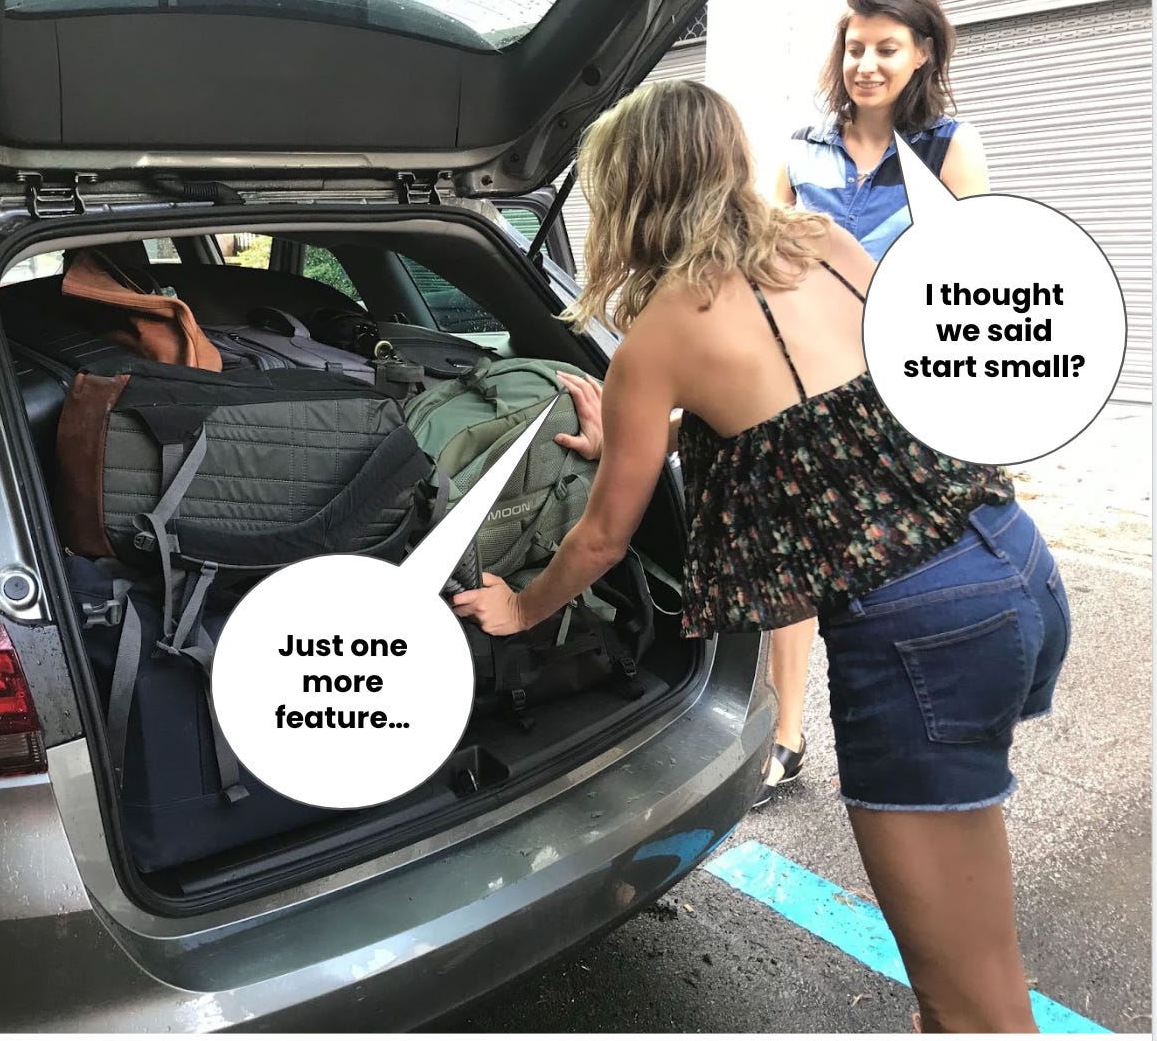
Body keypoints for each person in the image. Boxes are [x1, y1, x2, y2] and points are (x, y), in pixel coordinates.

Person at [452, 79, 1068, 1032]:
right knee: (967, 937)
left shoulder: (656, 338)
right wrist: (627, 432)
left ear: (630, 193)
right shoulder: (827, 243)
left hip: (919, 635)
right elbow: (823, 390)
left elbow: (604, 538)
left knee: (973, 1008)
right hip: (1013, 564)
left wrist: (522, 608)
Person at [762, 0, 992, 805]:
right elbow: (764, 254)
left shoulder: (950, 147)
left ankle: (916, 733)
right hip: (803, 379)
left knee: (894, 565)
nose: (865, 63)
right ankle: (786, 739)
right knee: (793, 558)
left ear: (923, 54)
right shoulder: (801, 146)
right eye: (856, 48)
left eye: (886, 49)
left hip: (901, 385)